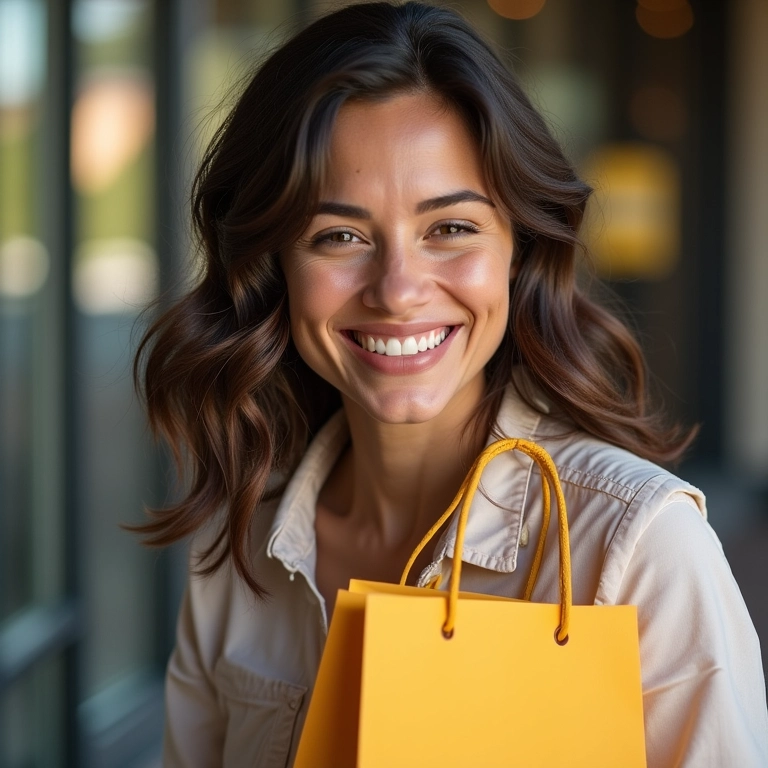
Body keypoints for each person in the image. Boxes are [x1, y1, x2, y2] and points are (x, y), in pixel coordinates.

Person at [134, 2, 768, 766]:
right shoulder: (238, 547)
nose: (398, 290)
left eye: (450, 228)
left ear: (518, 248)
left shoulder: (637, 550)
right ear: (273, 269)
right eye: (339, 236)